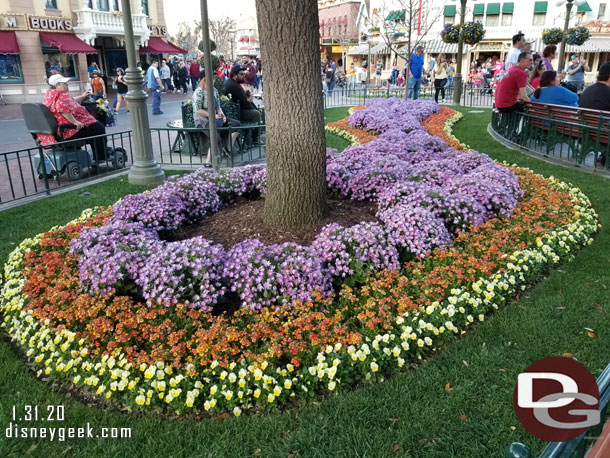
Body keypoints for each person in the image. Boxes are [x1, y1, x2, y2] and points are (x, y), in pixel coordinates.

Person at [38, 74, 108, 162]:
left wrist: (82, 97)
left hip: (60, 132)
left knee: (95, 129)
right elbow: (62, 109)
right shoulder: (62, 96)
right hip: (69, 131)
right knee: (99, 128)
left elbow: (69, 101)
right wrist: (75, 122)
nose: (67, 85)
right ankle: (101, 157)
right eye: (64, 84)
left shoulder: (51, 95)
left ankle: (96, 154)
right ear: (57, 85)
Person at [193, 69, 240, 165]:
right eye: (212, 78)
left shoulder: (214, 91)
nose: (214, 80)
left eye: (214, 78)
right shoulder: (199, 92)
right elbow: (197, 110)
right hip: (202, 119)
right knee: (216, 137)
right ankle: (209, 161)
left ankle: (227, 148)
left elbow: (218, 107)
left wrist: (223, 116)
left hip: (215, 117)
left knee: (236, 124)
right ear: (204, 79)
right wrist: (213, 115)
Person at [224, 64, 262, 143]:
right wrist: (250, 101)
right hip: (237, 112)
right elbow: (245, 103)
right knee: (257, 114)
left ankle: (250, 137)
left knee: (256, 110)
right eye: (241, 74)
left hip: (233, 111)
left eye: (244, 74)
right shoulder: (235, 86)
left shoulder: (229, 82)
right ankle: (254, 139)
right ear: (234, 75)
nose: (243, 76)